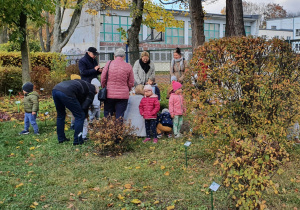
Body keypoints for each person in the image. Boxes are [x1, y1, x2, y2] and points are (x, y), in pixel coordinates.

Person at [52, 79, 97, 145]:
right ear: (96, 90)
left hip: (55, 89)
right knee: (80, 116)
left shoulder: (83, 84)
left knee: (60, 115)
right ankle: (78, 140)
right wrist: (84, 115)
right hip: (67, 92)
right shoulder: (92, 90)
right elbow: (85, 105)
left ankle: (61, 138)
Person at [101, 48, 134, 120]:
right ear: (124, 56)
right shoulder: (128, 66)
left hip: (109, 94)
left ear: (114, 56)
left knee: (107, 115)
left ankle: (108, 130)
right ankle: (118, 130)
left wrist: (104, 86)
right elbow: (131, 82)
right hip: (123, 96)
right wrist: (127, 89)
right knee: (120, 116)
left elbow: (103, 78)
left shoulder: (109, 64)